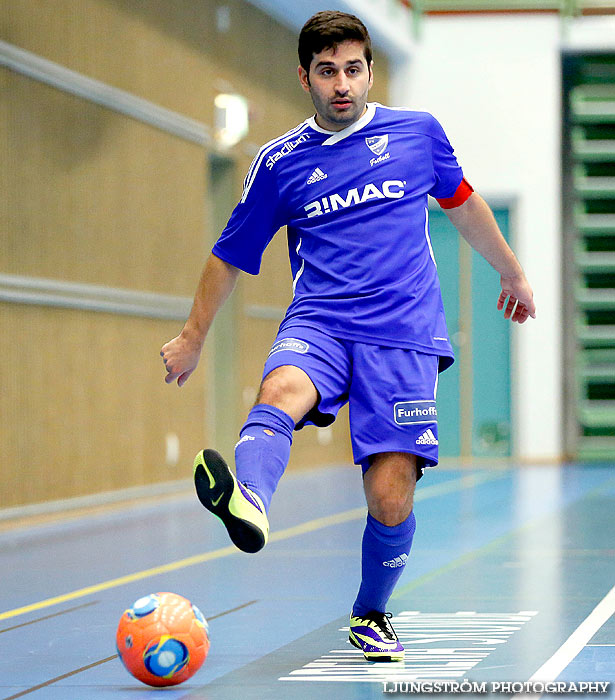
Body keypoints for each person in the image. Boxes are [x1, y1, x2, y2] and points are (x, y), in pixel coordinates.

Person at [160, 10, 536, 662]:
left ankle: (371, 611)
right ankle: (249, 500)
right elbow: (228, 255)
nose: (342, 83)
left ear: (368, 71)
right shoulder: (278, 163)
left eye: (353, 69)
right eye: (328, 71)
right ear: (303, 76)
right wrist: (193, 337)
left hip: (404, 334)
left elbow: (463, 204)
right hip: (321, 323)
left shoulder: (416, 135)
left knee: (390, 497)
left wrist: (511, 271)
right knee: (280, 387)